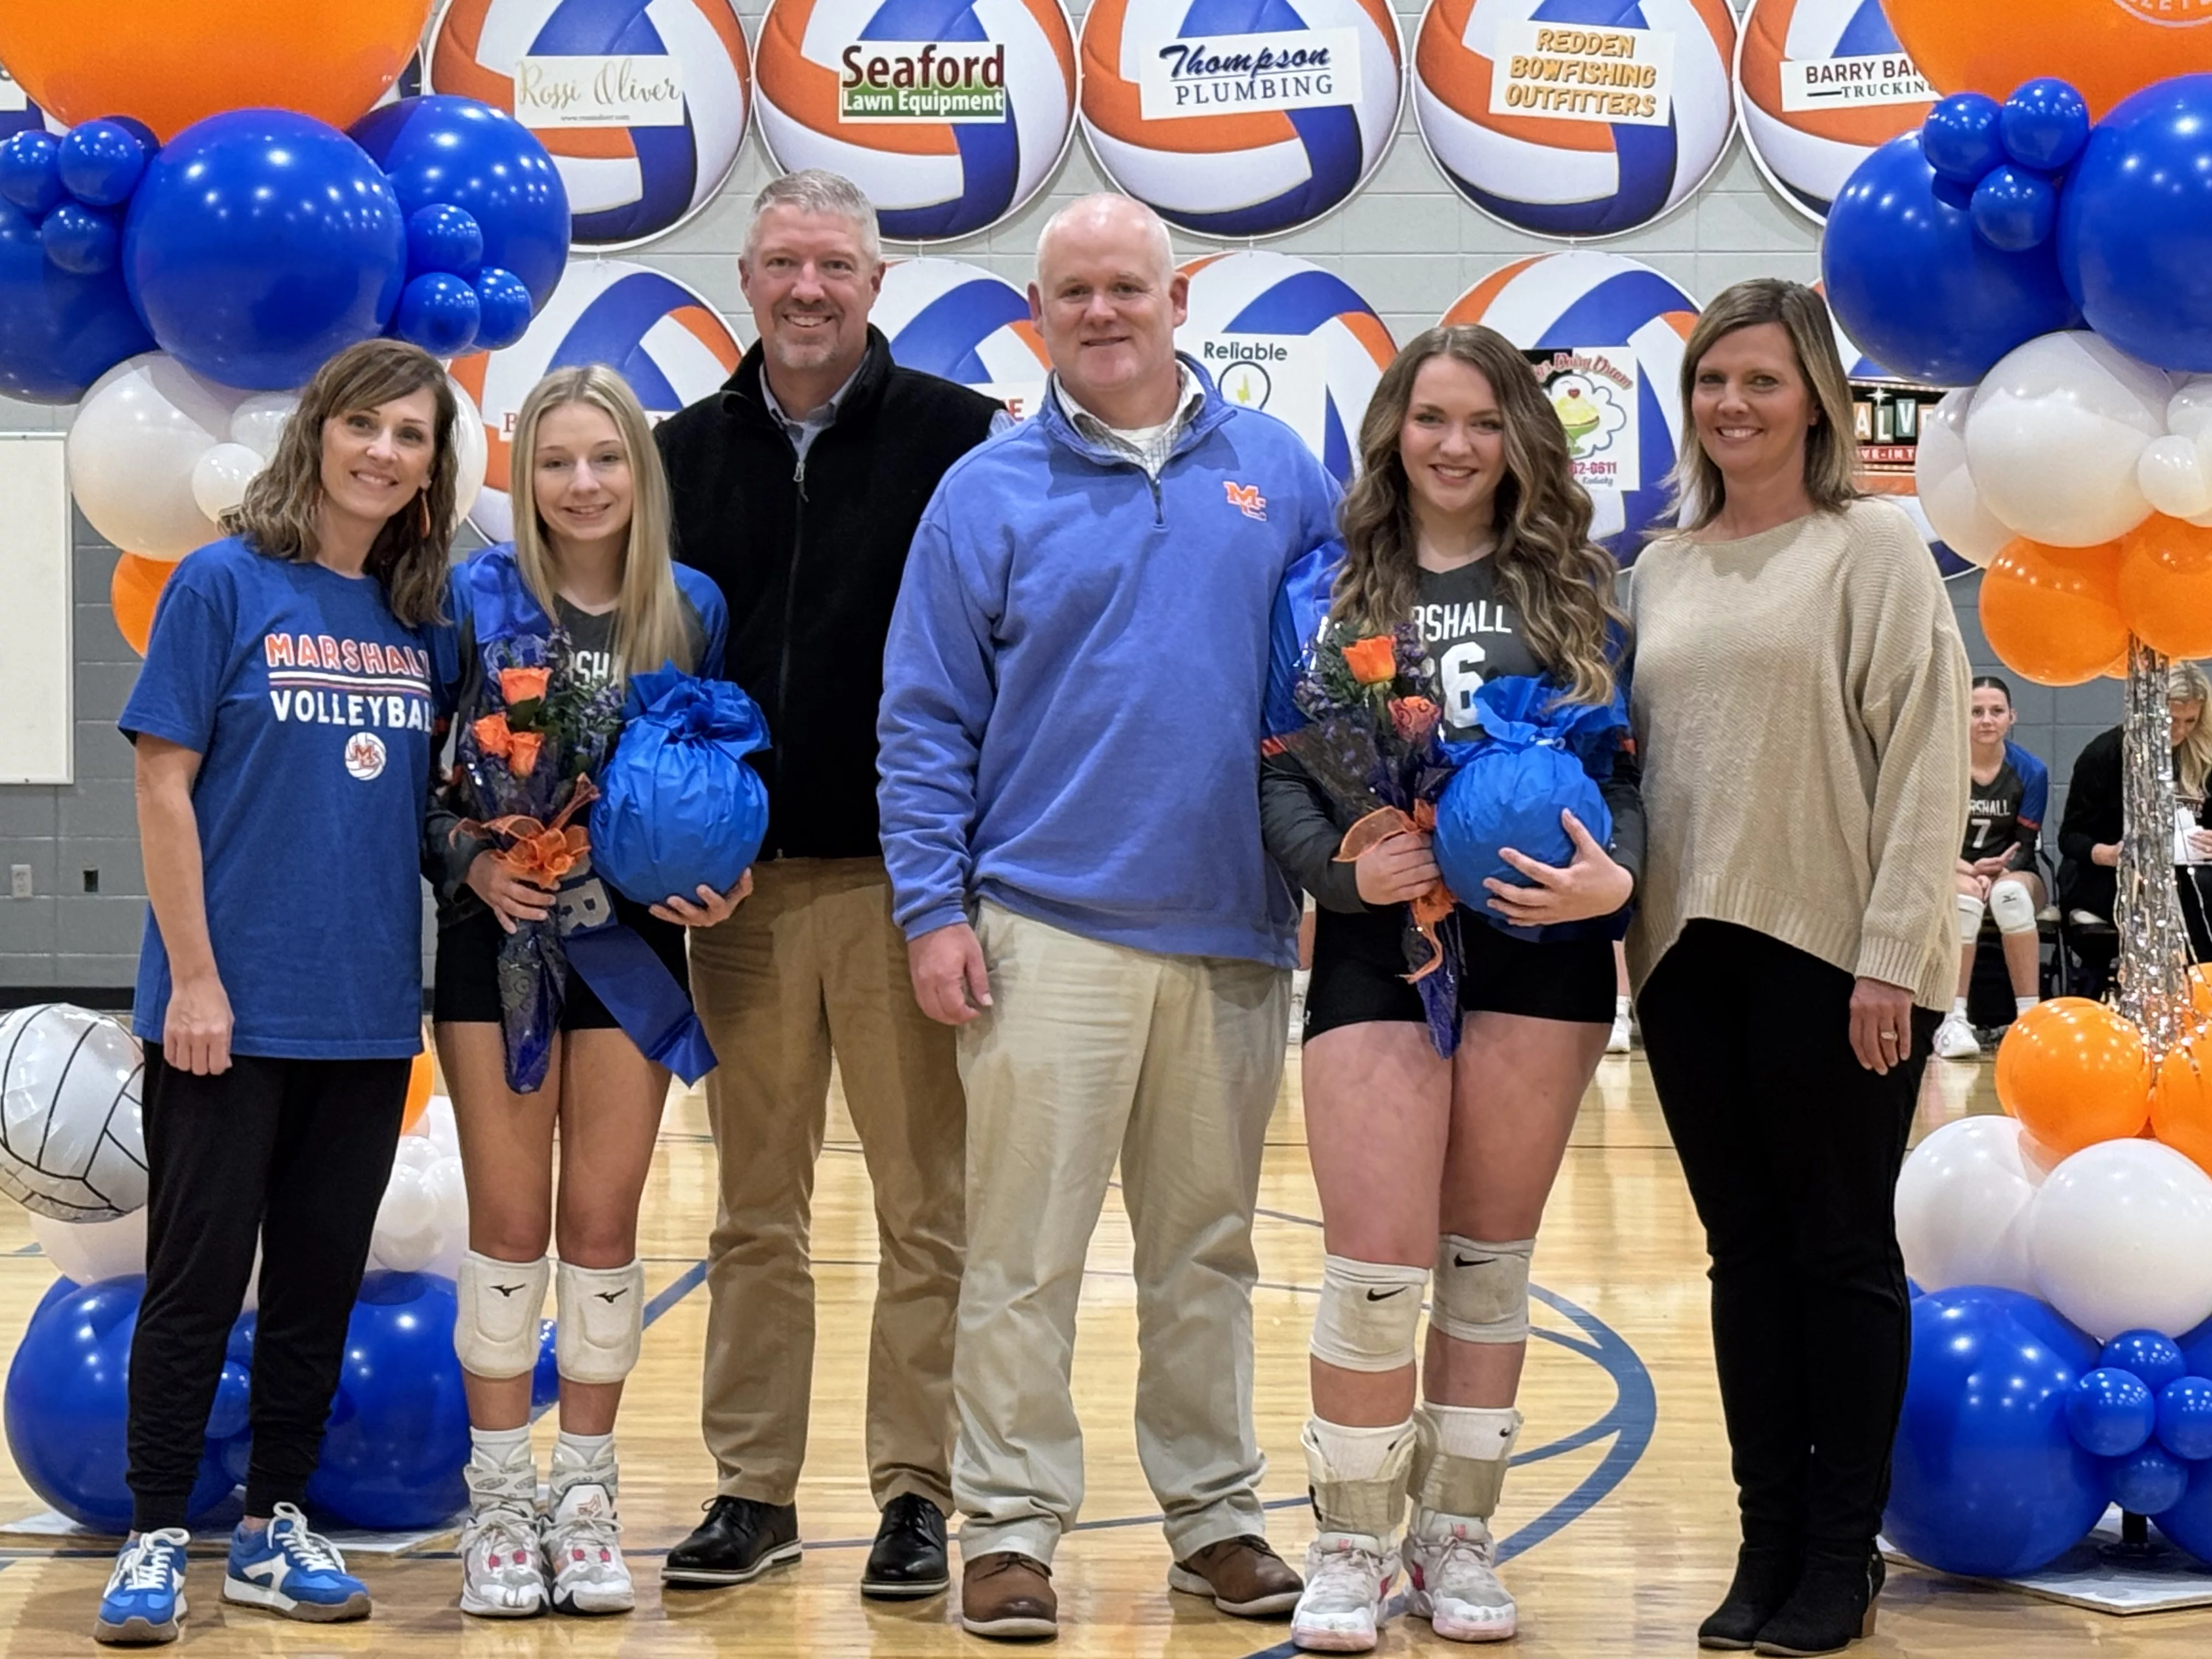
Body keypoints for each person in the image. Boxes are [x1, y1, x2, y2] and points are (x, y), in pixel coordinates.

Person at [876, 193, 1340, 1641]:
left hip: (1232, 929)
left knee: (1207, 1251)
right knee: (1021, 1258)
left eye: (1124, 287)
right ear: (1041, 311)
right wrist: (929, 911)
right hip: (1043, 923)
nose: (1101, 312)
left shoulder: (1283, 476)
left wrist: (1339, 865)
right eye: (1071, 291)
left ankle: (1216, 1520)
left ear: (1178, 295)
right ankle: (1009, 1533)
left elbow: (1336, 698)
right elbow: (924, 720)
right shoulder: (988, 491)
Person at [1259, 325, 1643, 1652]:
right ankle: (1352, 1544)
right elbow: (1274, 772)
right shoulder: (1324, 587)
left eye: (1485, 420)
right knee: (1374, 1265)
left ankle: (1458, 1537)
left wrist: (1616, 884)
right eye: (1433, 418)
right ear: (1394, 433)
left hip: (1542, 948)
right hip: (1378, 943)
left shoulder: (1581, 588)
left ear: (1520, 436)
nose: (1458, 444)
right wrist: (1343, 880)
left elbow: (1633, 783)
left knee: (1486, 1265)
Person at [653, 170, 1006, 1600]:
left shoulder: (962, 443)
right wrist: (655, 851)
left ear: (877, 284)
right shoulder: (676, 452)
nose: (809, 289)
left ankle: (919, 1489)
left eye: (836, 267)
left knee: (929, 1203)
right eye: (784, 263)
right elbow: (640, 675)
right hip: (735, 899)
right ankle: (754, 1488)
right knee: (753, 1208)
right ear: (745, 282)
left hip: (902, 884)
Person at [1626, 280, 1968, 1656]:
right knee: (1743, 1261)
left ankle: (1844, 1554)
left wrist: (1893, 953)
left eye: (1762, 382)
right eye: (1713, 382)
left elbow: (1927, 756)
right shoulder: (1658, 566)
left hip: (1840, 960)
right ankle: (1766, 1546)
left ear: (1816, 398)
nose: (1732, 406)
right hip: (1685, 959)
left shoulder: (1874, 545)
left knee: (1840, 1255)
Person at [101, 340, 461, 1645]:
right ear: (317, 431)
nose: (382, 451)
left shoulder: (425, 619)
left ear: (432, 470)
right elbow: (159, 786)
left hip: (366, 1015)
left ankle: (273, 1524)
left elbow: (444, 811)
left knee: (318, 1280)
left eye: (412, 436)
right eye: (364, 424)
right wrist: (194, 979)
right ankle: (152, 1536)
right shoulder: (220, 584)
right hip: (223, 1014)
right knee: (195, 1280)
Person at [427, 366, 740, 1619]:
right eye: (556, 461)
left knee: (603, 1236)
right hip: (490, 949)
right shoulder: (469, 598)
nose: (582, 484)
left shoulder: (689, 606)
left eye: (605, 459)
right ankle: (499, 1504)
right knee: (509, 1231)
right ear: (525, 473)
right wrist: (473, 858)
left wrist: (721, 876)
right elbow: (419, 789)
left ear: (640, 473)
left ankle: (587, 1499)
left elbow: (720, 775)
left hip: (632, 957)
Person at [2057, 662, 2212, 967]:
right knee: (2173, 889)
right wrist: (2111, 854)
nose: (2179, 732)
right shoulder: (2104, 754)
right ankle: (2193, 982)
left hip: (2187, 870)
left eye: (2190, 721)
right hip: (2107, 873)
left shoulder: (2203, 756)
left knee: (2189, 885)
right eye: (2171, 720)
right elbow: (2071, 838)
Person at [1931, 676, 2049, 1060]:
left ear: (2011, 717)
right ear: (1961, 717)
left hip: (2013, 870)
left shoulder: (2032, 771)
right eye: (1976, 711)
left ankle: (2028, 1020)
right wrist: (1965, 869)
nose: (1986, 720)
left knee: (2010, 896)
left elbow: (2026, 847)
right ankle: (1955, 1020)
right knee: (1965, 898)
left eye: (1996, 711)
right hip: (1952, 869)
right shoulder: (1943, 767)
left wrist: (1999, 870)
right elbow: (1930, 839)